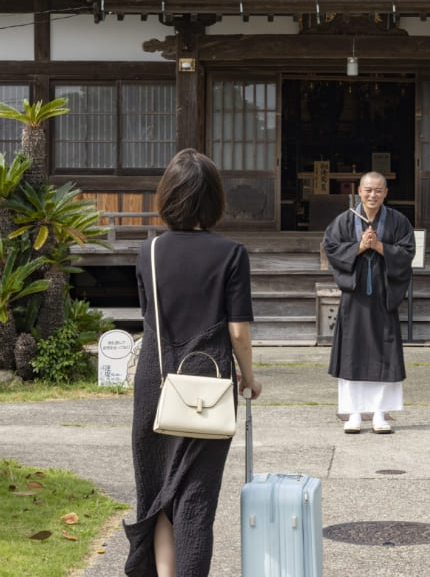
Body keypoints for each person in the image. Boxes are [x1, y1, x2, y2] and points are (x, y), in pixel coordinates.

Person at [124, 148, 262, 577]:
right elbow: (238, 332)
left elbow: (151, 319)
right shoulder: (231, 253)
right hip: (210, 382)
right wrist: (250, 378)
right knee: (195, 499)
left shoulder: (149, 252)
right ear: (215, 199)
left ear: (168, 196)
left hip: (156, 382)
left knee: (157, 490)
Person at [323, 171, 415, 434]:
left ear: (386, 192)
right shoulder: (344, 221)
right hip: (355, 297)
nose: (372, 195)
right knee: (352, 353)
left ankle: (379, 414)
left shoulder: (398, 221)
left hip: (384, 296)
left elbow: (407, 252)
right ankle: (353, 414)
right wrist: (360, 247)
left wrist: (380, 247)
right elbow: (331, 248)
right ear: (358, 191)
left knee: (384, 353)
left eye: (378, 190)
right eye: (368, 190)